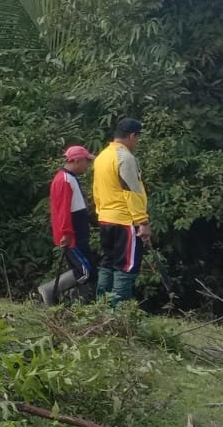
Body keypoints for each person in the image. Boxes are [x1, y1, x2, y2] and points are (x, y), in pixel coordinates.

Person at [92, 118, 151, 306]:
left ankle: (101, 308)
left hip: (105, 219)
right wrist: (142, 221)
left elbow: (96, 190)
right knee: (125, 268)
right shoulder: (125, 158)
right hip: (125, 221)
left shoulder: (101, 157)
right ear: (133, 136)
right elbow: (131, 191)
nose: (137, 142)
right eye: (138, 138)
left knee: (107, 264)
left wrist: (101, 212)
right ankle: (119, 314)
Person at [40, 145, 96, 305]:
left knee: (85, 269)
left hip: (78, 232)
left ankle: (80, 306)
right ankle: (50, 289)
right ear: (77, 160)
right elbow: (63, 210)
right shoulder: (64, 180)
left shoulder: (70, 177)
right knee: (85, 271)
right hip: (72, 234)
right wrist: (66, 233)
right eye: (86, 161)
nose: (87, 165)